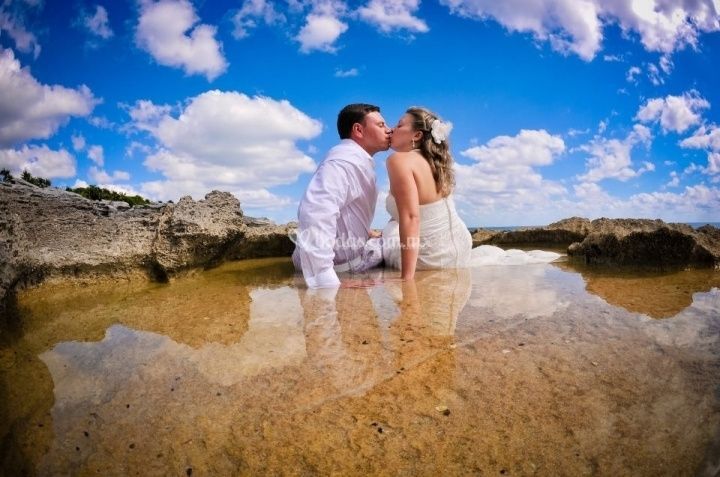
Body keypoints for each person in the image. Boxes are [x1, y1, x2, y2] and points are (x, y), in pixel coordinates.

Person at [293, 103, 392, 288]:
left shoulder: (354, 159)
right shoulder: (343, 162)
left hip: (338, 264)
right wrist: (325, 278)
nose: (389, 130)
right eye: (381, 125)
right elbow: (315, 211)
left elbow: (346, 208)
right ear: (358, 130)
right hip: (336, 269)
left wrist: (366, 232)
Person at [382, 107, 472, 280]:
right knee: (393, 226)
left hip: (430, 257)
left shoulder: (398, 160)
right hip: (461, 247)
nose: (392, 129)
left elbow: (411, 218)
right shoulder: (436, 164)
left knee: (388, 231)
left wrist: (407, 279)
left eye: (399, 125)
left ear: (416, 136)